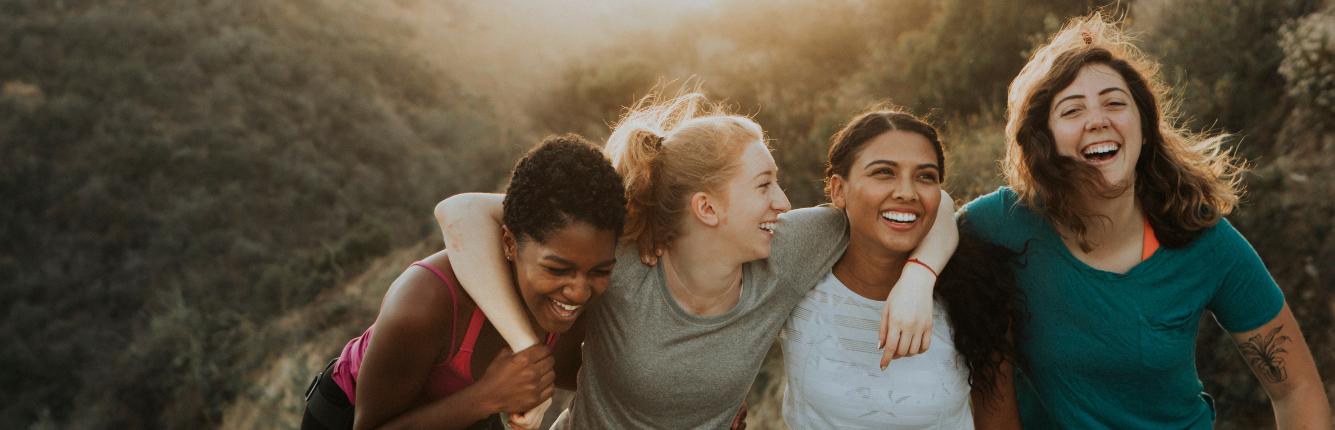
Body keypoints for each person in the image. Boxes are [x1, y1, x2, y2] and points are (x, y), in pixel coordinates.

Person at [434, 92, 958, 429]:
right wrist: (530, 354)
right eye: (764, 185)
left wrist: (918, 278)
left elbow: (933, 204)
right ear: (707, 208)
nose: (784, 202)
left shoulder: (789, 247)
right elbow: (460, 213)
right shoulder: (622, 258)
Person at [960, 13, 1332, 429]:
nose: (1098, 119)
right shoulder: (1004, 223)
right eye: (1072, 110)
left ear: (1144, 124)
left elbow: (1296, 389)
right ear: (1042, 137)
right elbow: (928, 217)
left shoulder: (1202, 239)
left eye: (1115, 103)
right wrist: (918, 275)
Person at [300, 135, 627, 430]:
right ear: (510, 244)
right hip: (351, 416)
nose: (579, 291)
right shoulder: (423, 304)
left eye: (599, 271)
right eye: (557, 269)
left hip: (466, 414)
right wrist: (489, 397)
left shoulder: (574, 310)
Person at [781, 108, 1025, 429]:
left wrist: (919, 278)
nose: (907, 193)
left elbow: (999, 422)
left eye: (925, 176)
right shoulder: (796, 276)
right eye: (884, 172)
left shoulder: (977, 293)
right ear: (838, 190)